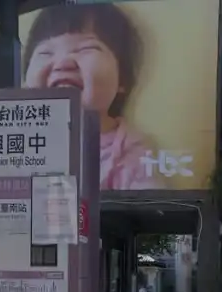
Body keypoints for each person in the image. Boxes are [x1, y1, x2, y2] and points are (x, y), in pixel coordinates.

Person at [23, 4, 164, 190]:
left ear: (122, 78)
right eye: (45, 52)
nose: (63, 62)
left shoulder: (127, 150)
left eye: (86, 49)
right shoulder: (16, 140)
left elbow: (151, 211)